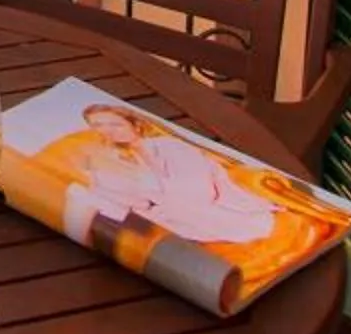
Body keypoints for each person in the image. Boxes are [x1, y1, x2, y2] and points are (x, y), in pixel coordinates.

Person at [63, 102, 275, 249]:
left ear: (135, 125)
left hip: (212, 214)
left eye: (114, 124)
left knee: (83, 195)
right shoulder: (122, 157)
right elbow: (135, 200)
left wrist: (139, 186)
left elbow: (201, 194)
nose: (107, 131)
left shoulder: (169, 147)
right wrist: (98, 172)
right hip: (161, 214)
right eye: (98, 125)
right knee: (80, 192)